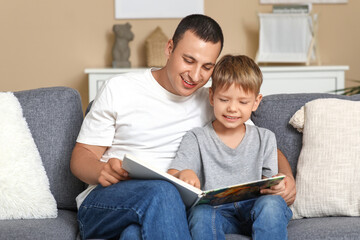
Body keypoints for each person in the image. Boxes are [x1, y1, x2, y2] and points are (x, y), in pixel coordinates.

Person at [70, 14, 295, 239]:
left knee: (133, 234)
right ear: (169, 48)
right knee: (162, 191)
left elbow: (259, 144)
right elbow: (81, 156)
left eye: (207, 67)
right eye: (188, 60)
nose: (195, 75)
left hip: (168, 210)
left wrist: (286, 178)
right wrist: (101, 170)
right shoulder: (119, 89)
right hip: (108, 202)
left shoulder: (218, 101)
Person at [168, 54, 293, 240]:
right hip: (219, 214)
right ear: (211, 96)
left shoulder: (265, 138)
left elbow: (269, 188)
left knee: (271, 204)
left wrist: (277, 185)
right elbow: (171, 175)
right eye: (224, 100)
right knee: (201, 213)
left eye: (243, 102)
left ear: (256, 102)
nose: (232, 108)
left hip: (256, 210)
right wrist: (182, 174)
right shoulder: (197, 138)